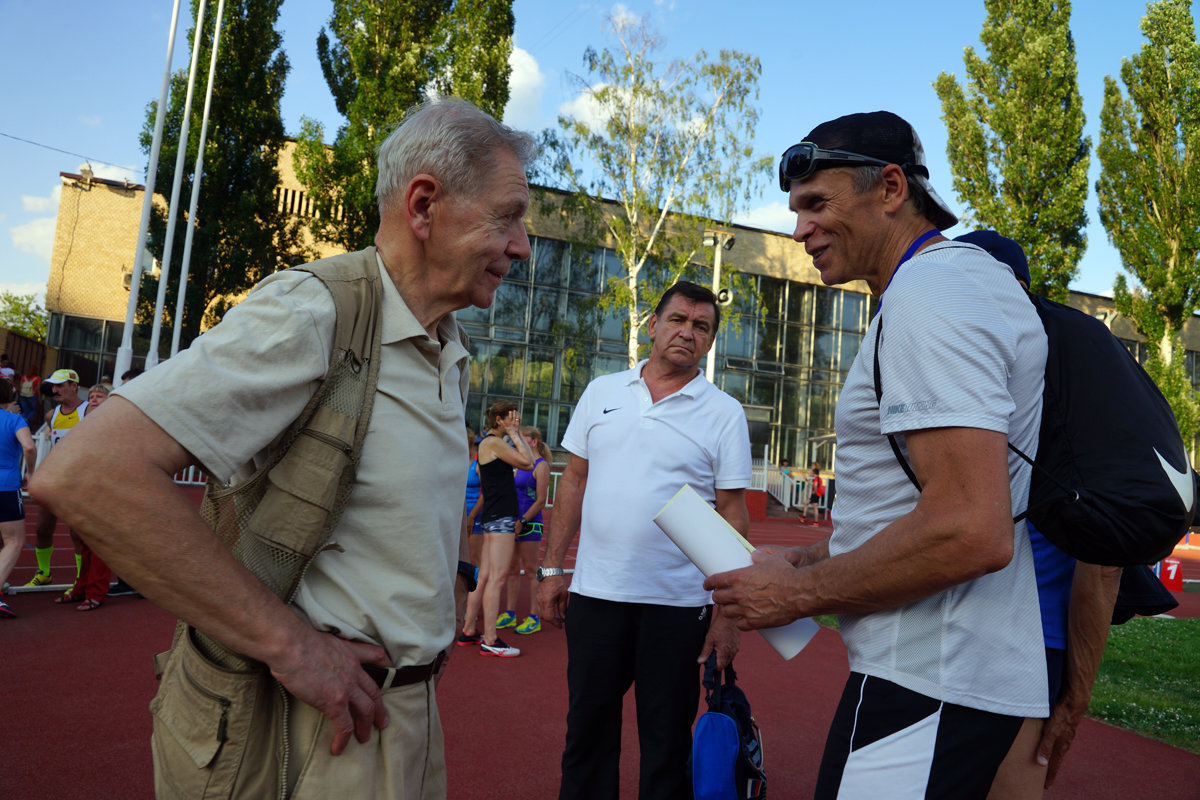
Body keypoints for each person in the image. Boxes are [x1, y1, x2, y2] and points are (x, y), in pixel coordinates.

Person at [30, 96, 536, 798]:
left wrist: (446, 577)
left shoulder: (447, 345)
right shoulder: (316, 311)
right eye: (508, 215)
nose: (522, 245)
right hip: (308, 732)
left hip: (405, 719)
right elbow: (88, 474)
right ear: (423, 206)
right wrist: (292, 647)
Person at [706, 111, 1049, 799]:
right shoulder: (945, 288)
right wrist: (818, 556)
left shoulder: (931, 291)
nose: (799, 228)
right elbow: (931, 501)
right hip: (950, 676)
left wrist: (799, 592)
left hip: (926, 679)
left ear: (890, 189)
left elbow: (969, 528)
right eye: (795, 209)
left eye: (816, 204)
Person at [537, 280, 751, 799]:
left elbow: (732, 513)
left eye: (701, 326)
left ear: (710, 341)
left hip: (677, 607)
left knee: (666, 747)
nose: (687, 332)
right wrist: (551, 570)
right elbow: (574, 487)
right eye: (677, 320)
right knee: (586, 735)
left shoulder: (724, 412)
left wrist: (727, 615)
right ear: (652, 326)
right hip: (596, 596)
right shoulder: (602, 392)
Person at [953, 231, 1122, 799]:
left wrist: (1075, 693)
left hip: (1015, 638)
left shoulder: (1054, 389)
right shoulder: (1053, 385)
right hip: (984, 636)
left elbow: (1102, 563)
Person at [460, 400, 535, 657]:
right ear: (499, 420)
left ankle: (469, 630)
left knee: (484, 576)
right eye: (512, 418)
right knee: (497, 577)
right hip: (500, 516)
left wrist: (513, 435)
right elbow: (528, 462)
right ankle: (490, 639)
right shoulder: (494, 442)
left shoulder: (488, 444)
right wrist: (514, 434)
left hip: (494, 514)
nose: (516, 422)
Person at [24, 368, 86, 588]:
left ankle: (81, 578)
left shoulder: (89, 411)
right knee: (42, 527)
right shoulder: (52, 415)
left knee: (77, 533)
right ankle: (44, 572)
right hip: (56, 478)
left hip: (79, 481)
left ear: (74, 386)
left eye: (61, 385)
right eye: (54, 386)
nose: (55, 390)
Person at [499, 424, 551, 635]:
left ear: (533, 442)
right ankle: (510, 613)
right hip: (514, 522)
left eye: (522, 438)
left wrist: (522, 520)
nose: (516, 441)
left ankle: (534, 616)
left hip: (530, 523)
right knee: (511, 569)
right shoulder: (522, 464)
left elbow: (540, 501)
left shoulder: (541, 466)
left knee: (530, 571)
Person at [0, 380, 37, 617]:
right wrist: (30, 472)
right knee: (13, 540)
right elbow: (30, 447)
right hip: (5, 485)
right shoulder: (14, 420)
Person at [17, 365, 40, 429]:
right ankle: (25, 420)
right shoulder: (37, 378)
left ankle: (23, 422)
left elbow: (21, 386)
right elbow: (37, 388)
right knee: (33, 410)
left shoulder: (23, 377)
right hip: (32, 396)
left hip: (23, 395)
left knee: (25, 411)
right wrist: (39, 396)